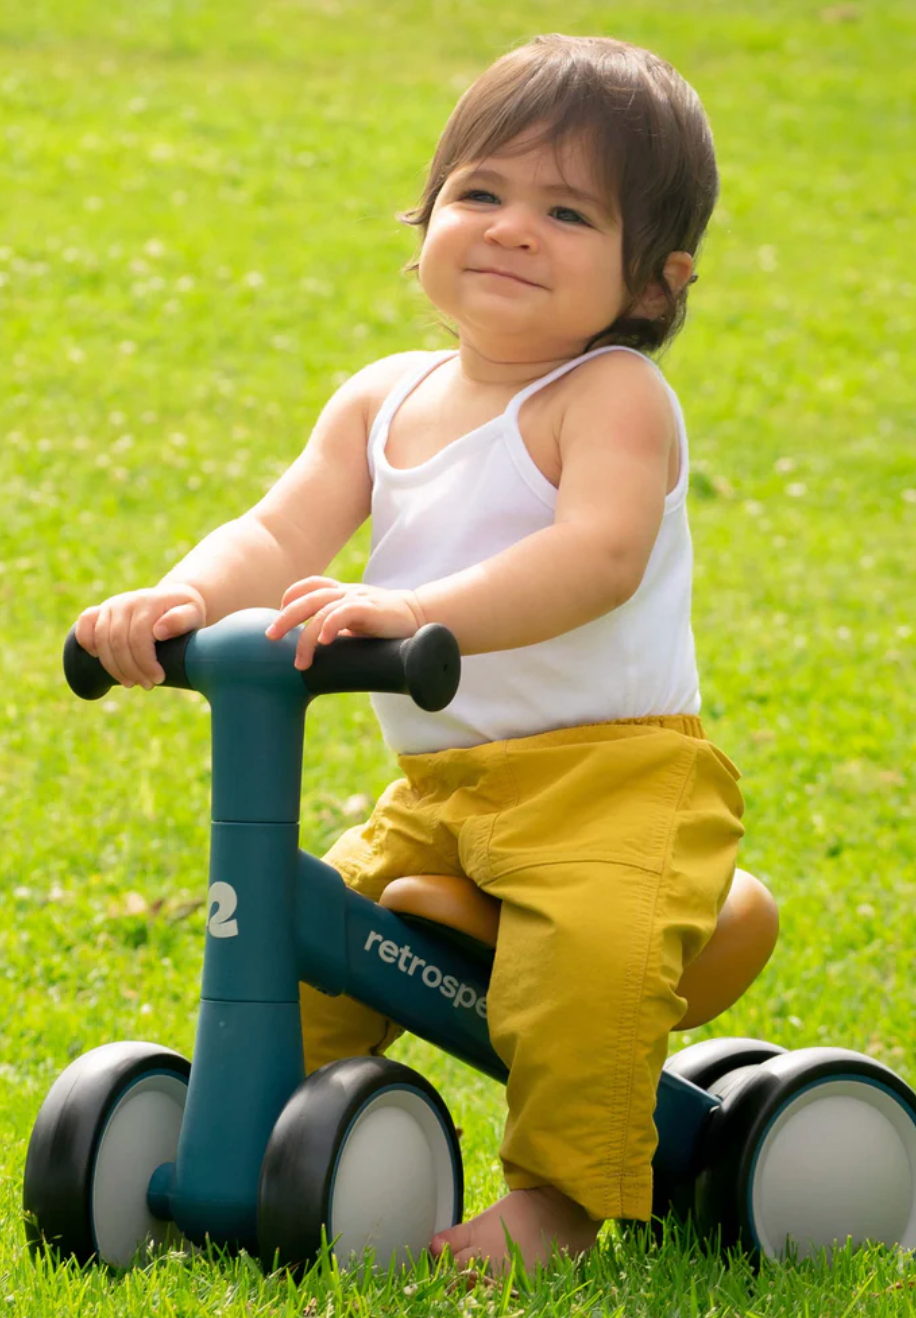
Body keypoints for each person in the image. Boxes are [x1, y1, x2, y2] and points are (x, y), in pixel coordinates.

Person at [77, 35, 747, 1271]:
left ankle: (556, 1199)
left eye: (565, 211)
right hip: (438, 795)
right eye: (478, 194)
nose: (509, 229)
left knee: (580, 977)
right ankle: (259, 1139)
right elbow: (278, 530)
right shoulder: (382, 396)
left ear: (652, 284)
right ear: (425, 216)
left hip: (612, 780)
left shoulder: (606, 399)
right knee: (297, 952)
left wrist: (421, 606)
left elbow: (594, 554)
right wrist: (176, 598)